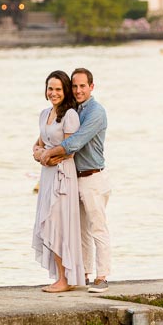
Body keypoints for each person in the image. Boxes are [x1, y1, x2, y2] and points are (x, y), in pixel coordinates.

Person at [40, 68, 110, 293]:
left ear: (92, 87)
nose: (78, 90)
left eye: (83, 86)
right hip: (72, 178)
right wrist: (40, 151)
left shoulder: (96, 112)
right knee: (80, 231)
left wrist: (47, 155)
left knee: (97, 227)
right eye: (75, 86)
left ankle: (102, 276)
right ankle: (84, 274)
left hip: (92, 176)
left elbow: (74, 143)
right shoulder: (72, 110)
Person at [31, 70, 86, 293]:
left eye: (58, 89)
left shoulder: (70, 115)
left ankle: (65, 278)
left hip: (63, 174)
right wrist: (37, 153)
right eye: (50, 88)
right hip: (47, 175)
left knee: (60, 224)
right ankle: (58, 277)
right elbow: (38, 143)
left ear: (65, 92)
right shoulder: (45, 114)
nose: (53, 93)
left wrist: (47, 157)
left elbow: (70, 151)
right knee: (49, 222)